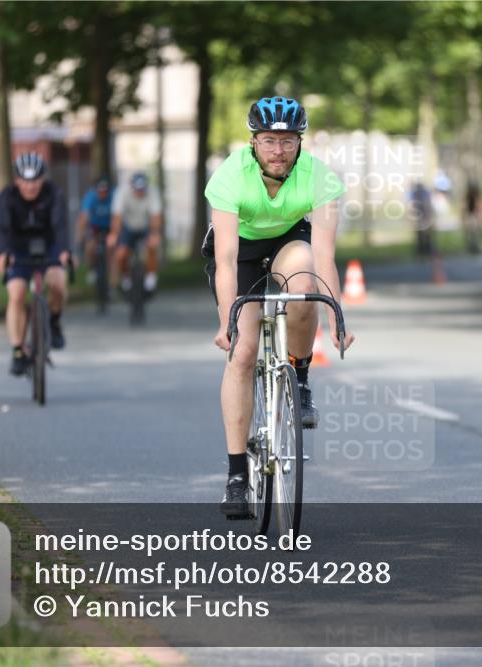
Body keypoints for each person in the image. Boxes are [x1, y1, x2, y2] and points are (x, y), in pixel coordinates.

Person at [203, 96, 354, 517]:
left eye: (288, 141)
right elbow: (226, 259)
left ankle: (300, 377)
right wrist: (226, 322)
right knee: (244, 353)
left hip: (290, 241)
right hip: (243, 253)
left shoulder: (319, 178)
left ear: (300, 142)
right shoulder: (231, 176)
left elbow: (325, 258)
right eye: (269, 141)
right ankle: (236, 476)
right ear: (253, 142)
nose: (279, 151)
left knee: (305, 280)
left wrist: (337, 316)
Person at [0, 152, 71, 376]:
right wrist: (3, 254)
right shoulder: (6, 197)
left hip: (48, 246)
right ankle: (18, 349)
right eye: (26, 181)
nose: (30, 186)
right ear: (17, 180)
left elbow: (60, 225)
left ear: (43, 179)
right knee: (17, 294)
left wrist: (65, 251)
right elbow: (2, 230)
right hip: (18, 250)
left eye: (35, 180)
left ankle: (54, 321)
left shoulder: (53, 194)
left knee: (58, 283)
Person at [108, 171, 162, 293]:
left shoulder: (153, 192)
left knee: (152, 246)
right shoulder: (121, 192)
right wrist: (114, 234)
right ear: (131, 186)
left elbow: (156, 216)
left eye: (142, 189)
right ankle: (126, 278)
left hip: (145, 225)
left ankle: (151, 278)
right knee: (121, 254)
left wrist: (155, 233)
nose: (139, 192)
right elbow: (117, 217)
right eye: (137, 189)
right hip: (128, 227)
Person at [76, 177, 113, 286]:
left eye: (105, 191)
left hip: (109, 227)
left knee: (111, 250)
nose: (103, 194)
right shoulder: (90, 197)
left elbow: (118, 216)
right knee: (90, 247)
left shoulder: (114, 197)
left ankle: (112, 283)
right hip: (95, 227)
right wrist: (80, 236)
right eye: (100, 191)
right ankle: (92, 269)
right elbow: (84, 217)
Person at [463, 179, 482, 255]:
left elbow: (479, 206)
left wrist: (479, 215)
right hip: (470, 215)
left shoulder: (476, 196)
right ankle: (471, 246)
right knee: (470, 231)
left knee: (476, 231)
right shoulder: (467, 196)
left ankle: (476, 246)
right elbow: (465, 206)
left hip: (475, 215)